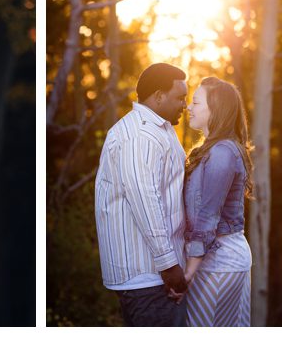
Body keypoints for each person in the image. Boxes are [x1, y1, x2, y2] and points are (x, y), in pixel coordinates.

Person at [94, 62, 189, 326]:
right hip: (148, 277)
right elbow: (145, 201)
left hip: (156, 276)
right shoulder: (139, 136)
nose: (184, 104)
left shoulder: (158, 129)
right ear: (158, 96)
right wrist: (169, 265)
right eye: (179, 97)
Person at [182, 77, 253, 326]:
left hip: (220, 262)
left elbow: (208, 215)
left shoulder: (222, 152)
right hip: (212, 260)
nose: (188, 107)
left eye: (196, 102)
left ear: (216, 109)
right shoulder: (212, 150)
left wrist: (189, 271)